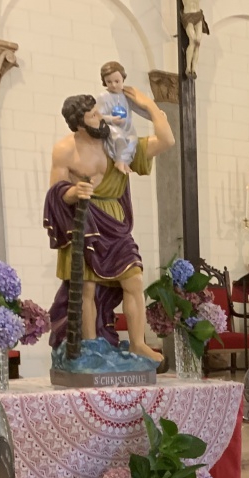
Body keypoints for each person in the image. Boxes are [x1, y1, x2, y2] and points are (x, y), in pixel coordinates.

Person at [44, 90, 173, 362]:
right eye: (93, 115)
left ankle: (138, 343)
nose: (100, 117)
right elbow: (56, 192)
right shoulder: (66, 150)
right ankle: (91, 346)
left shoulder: (117, 141)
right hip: (84, 221)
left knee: (134, 279)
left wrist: (149, 106)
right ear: (79, 124)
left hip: (115, 221)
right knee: (87, 288)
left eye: (98, 111)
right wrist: (73, 191)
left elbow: (166, 140)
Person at [96, 61, 145, 176]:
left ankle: (124, 161)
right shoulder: (104, 97)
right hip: (111, 127)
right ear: (104, 81)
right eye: (109, 82)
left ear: (123, 78)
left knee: (132, 140)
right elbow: (97, 116)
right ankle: (119, 161)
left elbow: (139, 109)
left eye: (116, 81)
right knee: (118, 137)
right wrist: (111, 119)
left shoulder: (127, 95)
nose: (113, 85)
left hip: (127, 127)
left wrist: (154, 115)